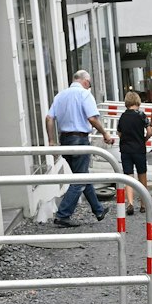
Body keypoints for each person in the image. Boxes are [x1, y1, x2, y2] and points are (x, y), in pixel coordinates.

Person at [48, 69, 114, 227]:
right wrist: (105, 133)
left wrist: (51, 140)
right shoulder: (85, 94)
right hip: (80, 139)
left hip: (64, 139)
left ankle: (98, 210)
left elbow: (49, 118)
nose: (89, 86)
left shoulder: (60, 95)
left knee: (82, 175)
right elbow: (92, 118)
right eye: (89, 83)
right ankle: (63, 215)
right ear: (85, 81)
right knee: (80, 179)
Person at [115, 91, 150, 214]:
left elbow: (119, 133)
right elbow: (149, 131)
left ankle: (130, 203)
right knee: (142, 175)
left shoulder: (123, 116)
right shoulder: (141, 115)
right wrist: (144, 139)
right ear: (138, 101)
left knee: (128, 176)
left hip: (125, 149)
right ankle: (143, 203)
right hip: (139, 149)